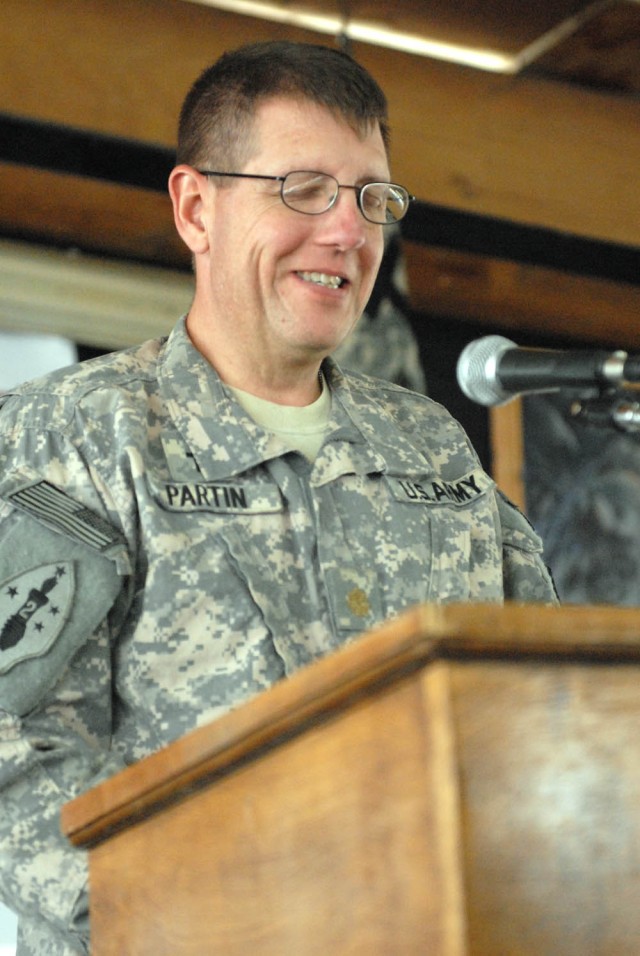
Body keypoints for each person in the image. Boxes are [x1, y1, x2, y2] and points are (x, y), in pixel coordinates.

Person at [0, 39, 557, 955]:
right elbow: (20, 758)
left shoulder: (431, 444)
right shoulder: (74, 435)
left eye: (374, 199)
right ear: (196, 207)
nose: (348, 232)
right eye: (303, 189)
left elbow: (533, 704)